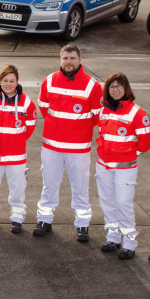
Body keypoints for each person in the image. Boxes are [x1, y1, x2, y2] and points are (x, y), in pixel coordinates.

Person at [34, 44, 104, 241]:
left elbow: (97, 117)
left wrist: (76, 131)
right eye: (65, 58)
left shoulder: (92, 86)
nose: (68, 62)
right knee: (49, 184)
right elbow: (45, 108)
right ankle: (44, 219)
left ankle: (82, 225)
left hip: (78, 148)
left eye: (72, 58)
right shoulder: (49, 81)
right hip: (52, 147)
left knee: (80, 186)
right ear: (60, 59)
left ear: (80, 60)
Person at [93, 73, 150, 260]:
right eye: (112, 87)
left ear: (126, 89)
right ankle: (113, 238)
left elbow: (145, 142)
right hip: (104, 165)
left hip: (125, 168)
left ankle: (129, 243)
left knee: (124, 204)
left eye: (119, 86)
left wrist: (128, 155)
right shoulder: (103, 110)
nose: (115, 90)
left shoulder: (136, 112)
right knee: (108, 203)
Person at [0, 66, 36, 232]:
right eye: (5, 81)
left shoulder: (27, 103)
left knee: (18, 189)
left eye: (12, 81)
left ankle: (17, 218)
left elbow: (30, 128)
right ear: (0, 81)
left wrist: (15, 141)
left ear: (17, 82)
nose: (8, 84)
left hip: (16, 155)